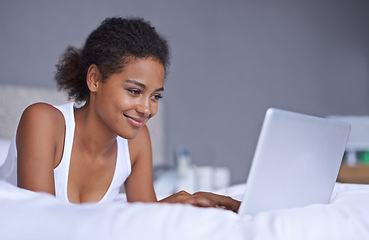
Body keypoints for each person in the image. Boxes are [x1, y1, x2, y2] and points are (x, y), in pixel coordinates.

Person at [2, 17, 240, 211]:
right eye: (134, 91)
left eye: (156, 96)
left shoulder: (136, 141)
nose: (147, 109)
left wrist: (207, 200)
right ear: (95, 79)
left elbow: (143, 222)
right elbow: (41, 222)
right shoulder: (43, 122)